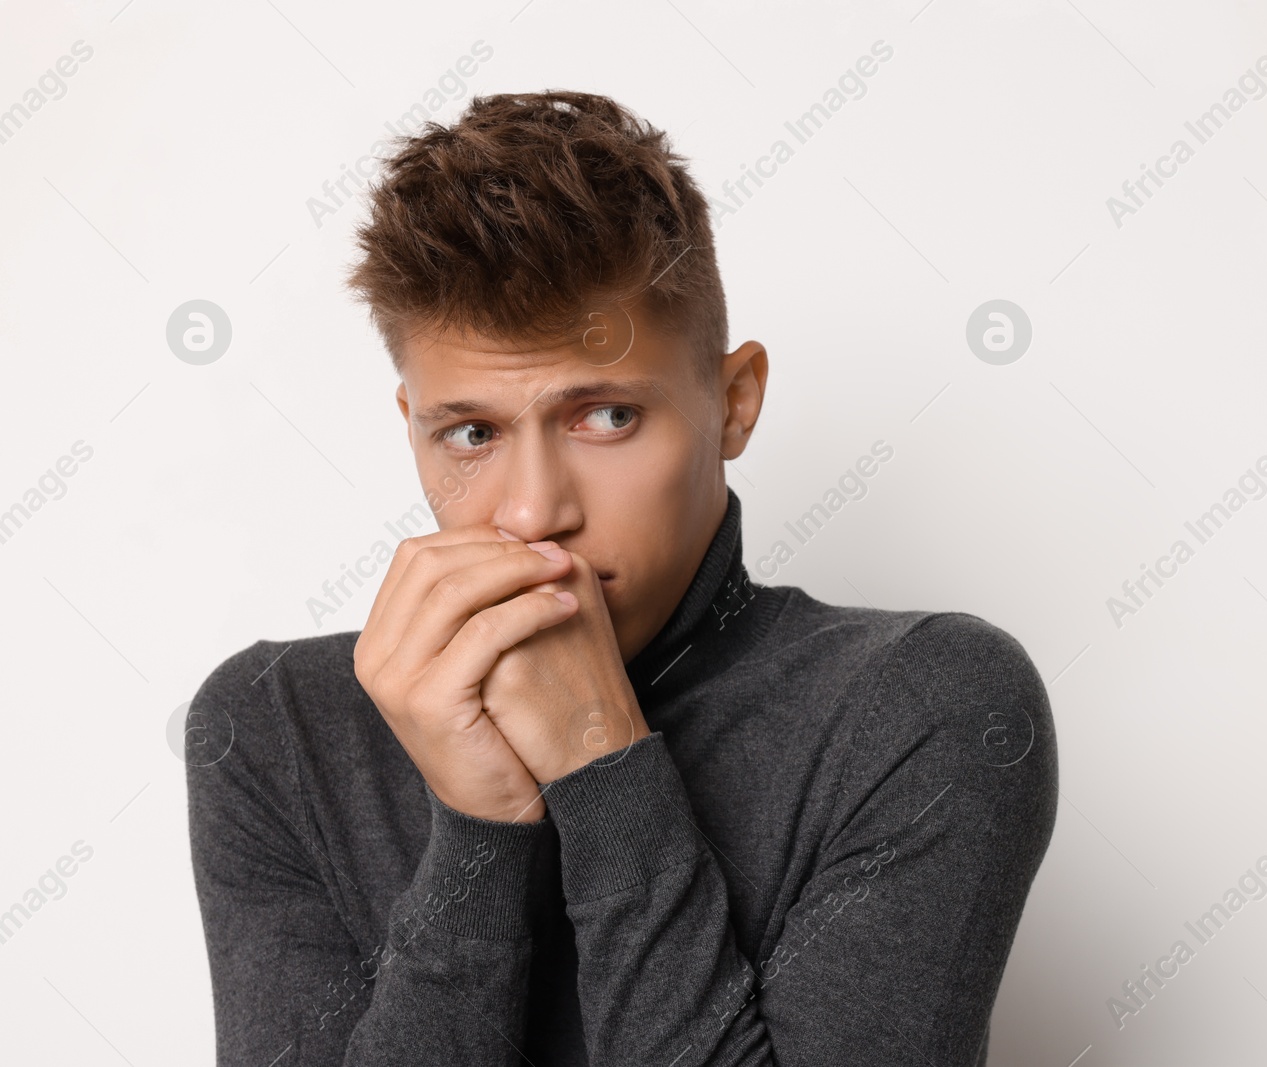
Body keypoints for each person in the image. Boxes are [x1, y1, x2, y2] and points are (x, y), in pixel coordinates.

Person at [185, 90, 1057, 1066]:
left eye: (604, 417)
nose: (530, 511)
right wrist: (478, 827)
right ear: (414, 428)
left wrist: (601, 760)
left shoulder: (924, 705)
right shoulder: (277, 728)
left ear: (733, 403)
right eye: (472, 433)